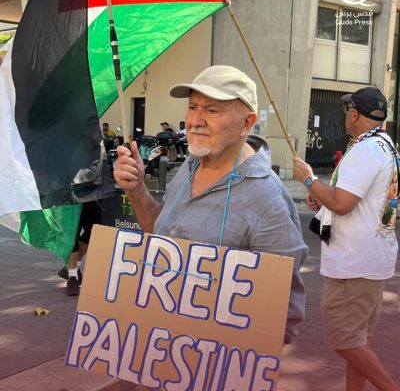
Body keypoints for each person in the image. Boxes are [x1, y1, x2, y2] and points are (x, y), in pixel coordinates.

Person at [113, 65, 307, 343]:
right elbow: (160, 235)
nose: (195, 121)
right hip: (158, 344)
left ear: (247, 123)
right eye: (193, 107)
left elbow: (280, 317)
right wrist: (136, 190)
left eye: (212, 110)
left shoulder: (267, 199)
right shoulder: (190, 164)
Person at [292, 87, 400, 391]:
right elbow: (352, 200)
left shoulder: (365, 150)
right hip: (373, 257)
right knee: (360, 338)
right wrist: (320, 197)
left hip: (355, 262)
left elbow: (341, 203)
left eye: (346, 111)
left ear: (353, 114)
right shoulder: (385, 146)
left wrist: (309, 179)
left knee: (344, 340)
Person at [58, 201, 102, 296]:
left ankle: (70, 268)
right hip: (71, 198)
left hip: (92, 196)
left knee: (96, 229)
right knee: (72, 233)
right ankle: (73, 276)